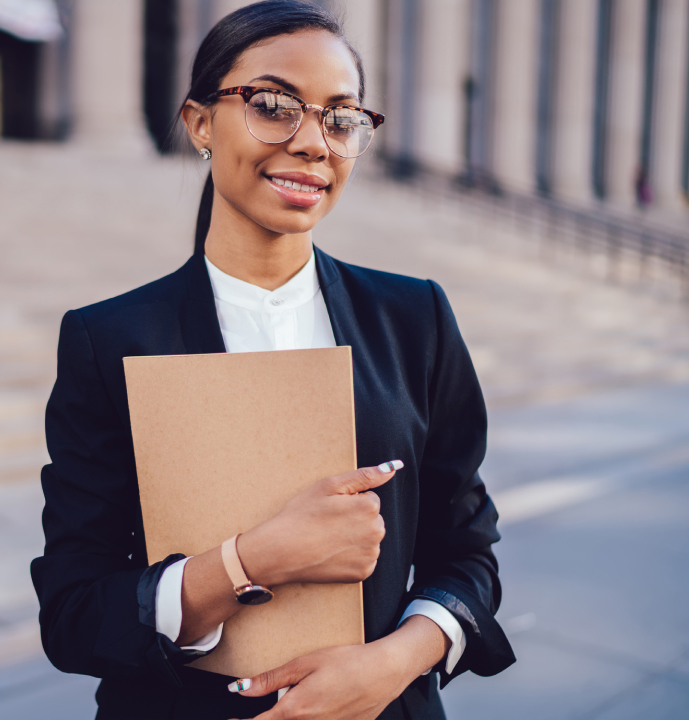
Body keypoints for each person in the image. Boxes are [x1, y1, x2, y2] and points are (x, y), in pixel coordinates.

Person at [31, 2, 515, 718]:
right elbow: (73, 614)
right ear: (199, 122)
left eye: (341, 117)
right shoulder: (109, 340)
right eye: (273, 105)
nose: (315, 142)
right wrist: (249, 561)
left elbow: (468, 557)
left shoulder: (416, 320)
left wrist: (395, 661)